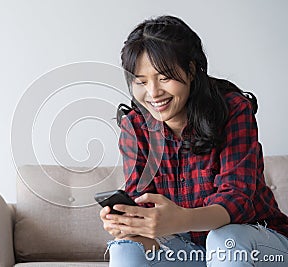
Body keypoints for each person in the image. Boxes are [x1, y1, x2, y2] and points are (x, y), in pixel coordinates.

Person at [99, 15, 288, 266]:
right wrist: (129, 221)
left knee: (225, 239)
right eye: (141, 82)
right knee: (126, 247)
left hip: (254, 243)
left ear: (190, 71)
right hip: (190, 251)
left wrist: (181, 219)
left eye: (164, 78)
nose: (153, 93)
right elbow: (140, 197)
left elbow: (237, 201)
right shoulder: (135, 126)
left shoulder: (232, 109)